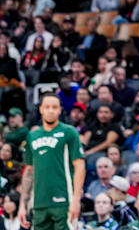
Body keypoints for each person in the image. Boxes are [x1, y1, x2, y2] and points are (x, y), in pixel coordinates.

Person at [17, 93, 86, 230]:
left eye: (54, 107)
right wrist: (22, 205)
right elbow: (29, 171)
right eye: (47, 107)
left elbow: (80, 166)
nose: (51, 110)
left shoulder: (69, 132)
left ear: (60, 110)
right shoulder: (32, 136)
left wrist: (76, 199)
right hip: (39, 203)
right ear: (41, 109)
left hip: (64, 201)